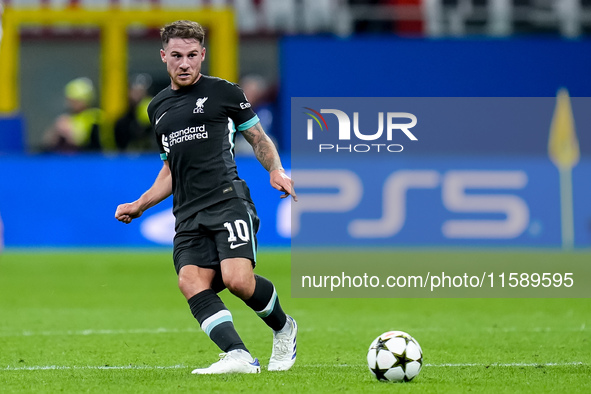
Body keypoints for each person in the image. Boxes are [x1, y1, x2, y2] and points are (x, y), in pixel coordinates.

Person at [114, 20, 298, 375]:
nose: (185, 63)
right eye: (178, 56)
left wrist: (276, 170)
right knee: (190, 281)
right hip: (187, 212)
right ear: (164, 56)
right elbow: (170, 169)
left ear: (203, 56)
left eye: (193, 55)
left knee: (237, 281)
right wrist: (140, 204)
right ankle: (239, 355)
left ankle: (284, 327)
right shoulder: (158, 108)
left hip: (227, 200)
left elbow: (258, 138)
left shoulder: (224, 92)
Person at [42, 77, 105, 152]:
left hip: (91, 160)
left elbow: (91, 144)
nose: (70, 104)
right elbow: (47, 143)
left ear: (84, 101)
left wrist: (69, 133)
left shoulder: (95, 117)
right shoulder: (67, 117)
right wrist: (55, 131)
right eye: (69, 100)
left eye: (74, 101)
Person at [114, 74, 156, 152]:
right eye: (134, 91)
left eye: (140, 91)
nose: (137, 95)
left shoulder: (156, 118)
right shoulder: (122, 123)